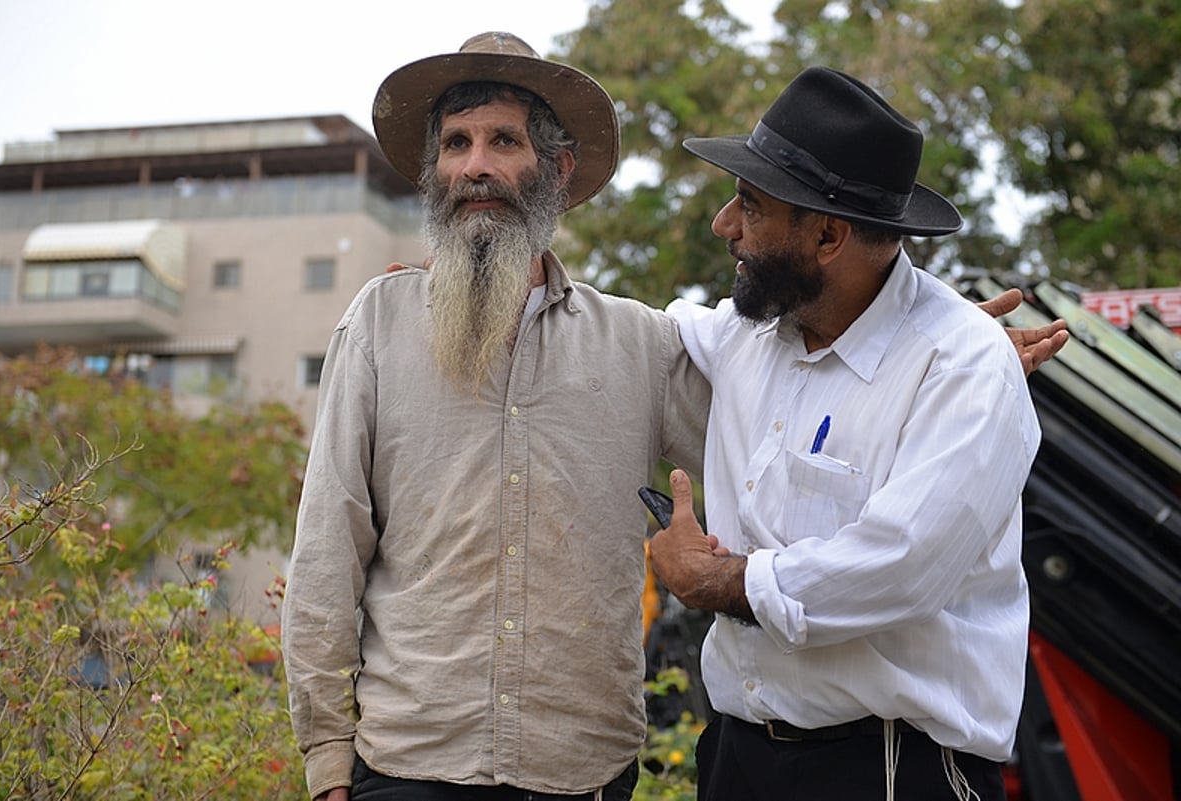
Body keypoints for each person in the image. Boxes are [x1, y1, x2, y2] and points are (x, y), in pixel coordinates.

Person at [282, 33, 1067, 801]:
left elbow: (890, 531)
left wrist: (944, 343)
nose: (474, 165)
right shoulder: (382, 327)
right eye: (455, 143)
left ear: (556, 169)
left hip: (630, 773)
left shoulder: (645, 344)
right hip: (429, 766)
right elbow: (326, 551)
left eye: (502, 141)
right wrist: (327, 759)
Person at [648, 66, 1044, 801]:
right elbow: (621, 340)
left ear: (828, 234)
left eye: (750, 205)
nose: (724, 226)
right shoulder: (749, 334)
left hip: (891, 768)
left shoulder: (962, 366)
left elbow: (898, 566)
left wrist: (716, 580)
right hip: (737, 758)